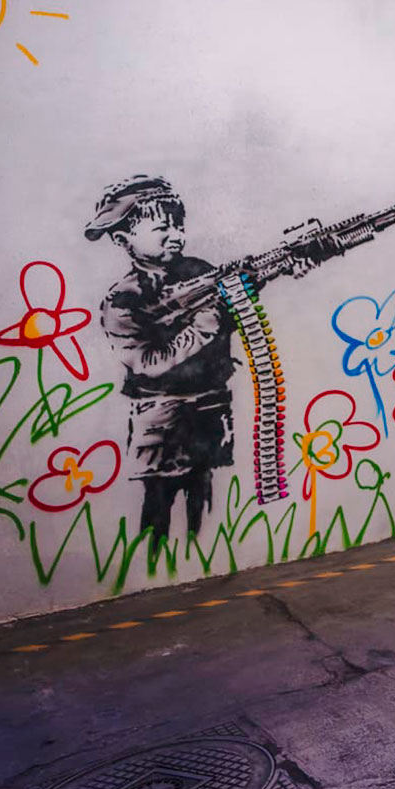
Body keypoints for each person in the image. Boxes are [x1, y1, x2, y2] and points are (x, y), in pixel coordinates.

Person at [86, 176, 239, 552]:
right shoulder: (123, 299)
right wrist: (204, 327)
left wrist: (242, 295)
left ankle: (198, 560)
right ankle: (154, 565)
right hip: (161, 416)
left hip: (211, 405)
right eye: (161, 228)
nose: (176, 235)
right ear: (124, 241)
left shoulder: (198, 271)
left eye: (178, 226)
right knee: (159, 500)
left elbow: (227, 320)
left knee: (202, 495)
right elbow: (149, 363)